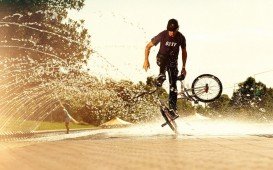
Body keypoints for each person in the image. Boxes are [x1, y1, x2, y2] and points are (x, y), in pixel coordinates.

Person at [143, 18, 187, 119]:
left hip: (173, 64)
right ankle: (161, 75)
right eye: (169, 31)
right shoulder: (162, 34)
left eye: (173, 31)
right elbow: (147, 47)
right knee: (165, 57)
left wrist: (183, 67)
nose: (171, 33)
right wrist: (146, 60)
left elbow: (184, 52)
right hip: (161, 59)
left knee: (173, 85)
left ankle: (173, 109)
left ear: (177, 29)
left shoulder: (181, 38)